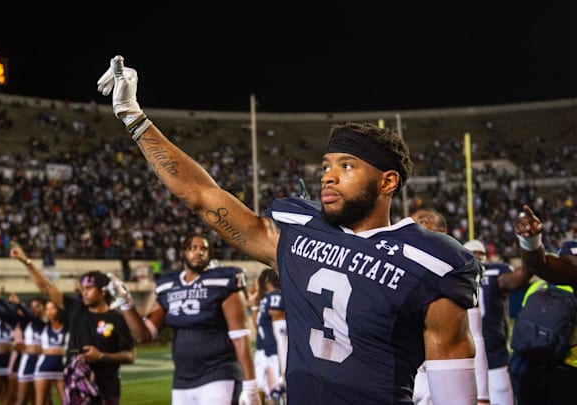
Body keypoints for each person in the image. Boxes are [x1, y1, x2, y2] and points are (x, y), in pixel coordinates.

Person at [97, 55, 481, 404]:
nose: (328, 175)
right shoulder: (295, 232)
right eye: (327, 164)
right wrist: (133, 116)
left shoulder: (431, 264)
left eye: (347, 166)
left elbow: (454, 391)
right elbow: (200, 194)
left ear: (387, 183)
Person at [114, 233, 260, 405]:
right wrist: (126, 302)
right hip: (182, 380)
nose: (199, 253)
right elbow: (143, 335)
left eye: (204, 249)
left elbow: (240, 337)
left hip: (219, 374)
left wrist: (251, 386)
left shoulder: (222, 282)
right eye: (193, 248)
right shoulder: (168, 287)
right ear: (183, 253)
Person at [11, 243, 136, 405]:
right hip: (76, 388)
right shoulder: (77, 309)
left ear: (103, 291)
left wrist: (101, 356)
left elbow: (130, 356)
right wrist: (26, 261)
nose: (83, 292)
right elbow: (46, 288)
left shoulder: (117, 319)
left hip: (107, 390)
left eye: (89, 288)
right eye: (82, 288)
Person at [408, 209, 489, 405]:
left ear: (441, 231)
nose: (414, 225)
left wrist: (482, 393)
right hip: (409, 373)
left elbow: (472, 336)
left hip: (442, 371)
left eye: (423, 221)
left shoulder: (455, 273)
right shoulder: (401, 266)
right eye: (412, 221)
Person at [512, 204, 577, 405]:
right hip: (568, 370)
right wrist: (531, 242)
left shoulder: (538, 288)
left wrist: (531, 243)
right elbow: (542, 265)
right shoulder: (570, 268)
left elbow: (543, 265)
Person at [463, 239, 531, 405]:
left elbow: (518, 278)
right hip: (465, 357)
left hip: (495, 355)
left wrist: (531, 248)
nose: (478, 257)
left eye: (481, 254)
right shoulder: (454, 277)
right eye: (474, 254)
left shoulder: (494, 273)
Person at [248, 268, 286, 404]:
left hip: (274, 352)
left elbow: (282, 331)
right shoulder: (266, 299)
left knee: (276, 395)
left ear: (266, 280)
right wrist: (253, 307)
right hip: (262, 350)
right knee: (257, 392)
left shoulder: (276, 296)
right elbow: (259, 327)